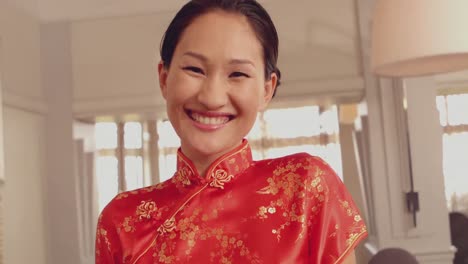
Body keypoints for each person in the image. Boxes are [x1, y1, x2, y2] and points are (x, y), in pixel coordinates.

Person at [95, 0, 367, 263]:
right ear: (164, 79)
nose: (212, 98)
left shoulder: (307, 186)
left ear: (266, 89)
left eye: (238, 74)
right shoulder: (122, 219)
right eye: (194, 69)